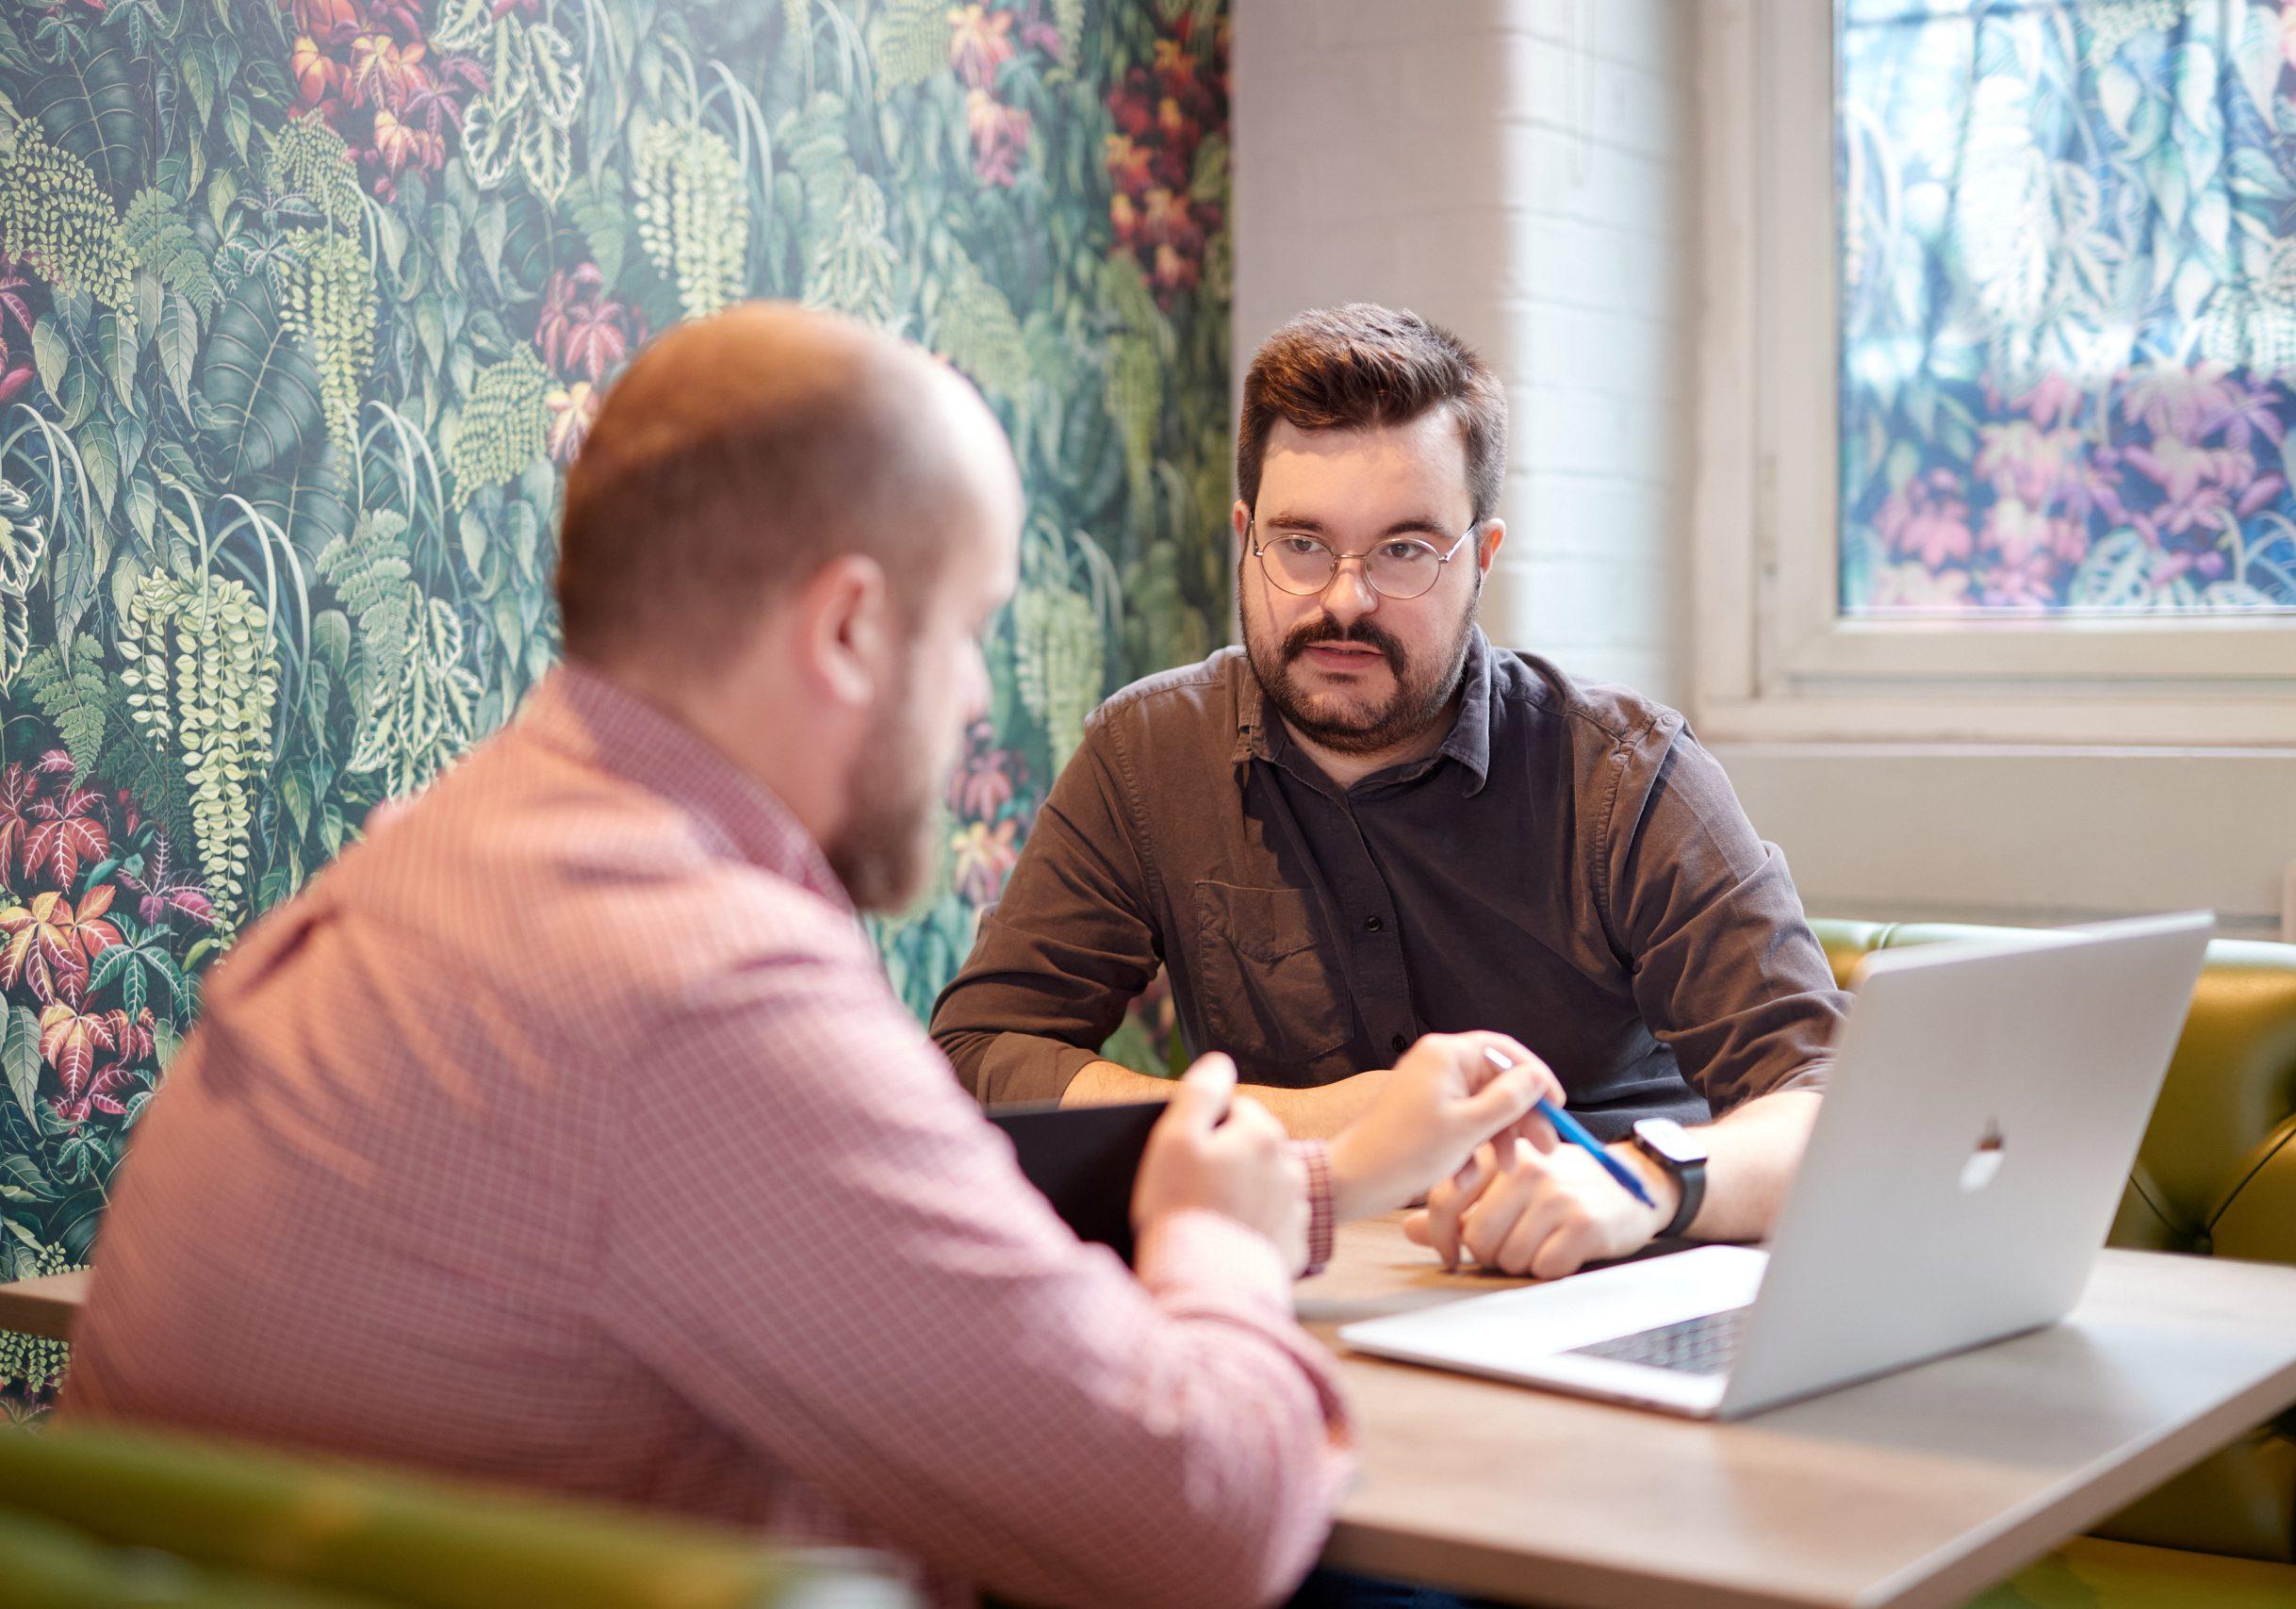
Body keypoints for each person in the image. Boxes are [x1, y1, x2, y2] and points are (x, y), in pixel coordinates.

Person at [59, 304, 1564, 1609]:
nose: (977, 700)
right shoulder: (698, 988)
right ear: (850, 628)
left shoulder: (446, 861)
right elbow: (1205, 1523)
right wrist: (1227, 1248)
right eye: (969, 629)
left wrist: (1273, 1185)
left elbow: (859, 1250)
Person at [934, 303, 1846, 1282]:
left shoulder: (1623, 775)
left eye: (1404, 550)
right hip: (1308, 1289)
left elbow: (1829, 1098)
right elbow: (981, 1052)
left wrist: (1640, 1186)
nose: (1344, 600)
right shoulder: (1147, 753)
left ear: (1480, 557)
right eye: (1302, 546)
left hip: (1603, 1283)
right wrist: (1329, 1124)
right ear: (1245, 539)